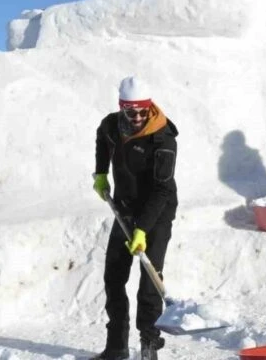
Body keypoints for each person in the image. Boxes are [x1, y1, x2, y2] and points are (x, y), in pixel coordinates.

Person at [92, 76, 178, 360]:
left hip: (157, 211)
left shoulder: (162, 137)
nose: (138, 117)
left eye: (143, 110)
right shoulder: (111, 125)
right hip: (125, 207)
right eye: (132, 112)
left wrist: (142, 229)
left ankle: (148, 345)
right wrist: (101, 172)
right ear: (122, 108)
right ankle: (116, 346)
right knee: (114, 276)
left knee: (149, 280)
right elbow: (102, 139)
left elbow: (163, 189)